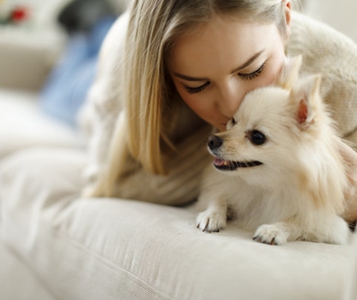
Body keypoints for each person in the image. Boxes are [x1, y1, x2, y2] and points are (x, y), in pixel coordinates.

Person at [78, 0, 357, 225]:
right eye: (197, 85)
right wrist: (228, 148)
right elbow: (107, 182)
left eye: (253, 70)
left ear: (286, 22)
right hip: (93, 71)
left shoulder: (345, 82)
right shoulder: (127, 71)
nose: (231, 106)